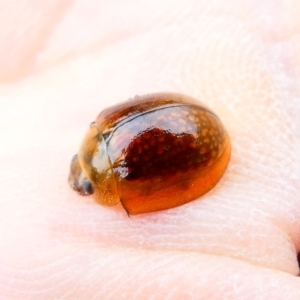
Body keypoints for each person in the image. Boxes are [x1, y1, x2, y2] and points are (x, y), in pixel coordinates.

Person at [1, 0, 300, 298]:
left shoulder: (124, 176)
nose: (81, 179)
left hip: (204, 141)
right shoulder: (106, 126)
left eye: (88, 184)